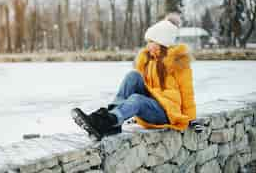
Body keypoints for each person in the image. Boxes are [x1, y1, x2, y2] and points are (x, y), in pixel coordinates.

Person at [71, 13, 202, 141]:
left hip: (167, 113)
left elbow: (187, 94)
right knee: (133, 76)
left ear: (162, 43)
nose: (148, 45)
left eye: (151, 41)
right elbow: (135, 85)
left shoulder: (179, 64)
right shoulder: (148, 60)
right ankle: (111, 119)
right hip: (151, 104)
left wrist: (192, 119)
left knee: (137, 99)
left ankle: (108, 121)